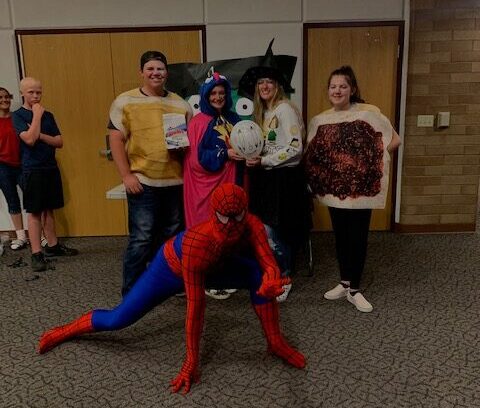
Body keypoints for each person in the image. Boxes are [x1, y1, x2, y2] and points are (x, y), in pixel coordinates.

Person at [37, 183, 306, 394]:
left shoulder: (251, 223)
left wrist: (270, 279)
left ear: (245, 211)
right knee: (119, 318)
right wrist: (191, 360)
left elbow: (267, 261)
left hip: (217, 264)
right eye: (226, 218)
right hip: (171, 268)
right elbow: (196, 307)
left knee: (257, 274)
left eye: (238, 217)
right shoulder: (197, 241)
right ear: (215, 214)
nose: (233, 225)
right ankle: (65, 331)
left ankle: (275, 342)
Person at [304, 65, 401, 313]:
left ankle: (355, 289)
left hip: (360, 191)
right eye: (333, 86)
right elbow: (315, 153)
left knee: (357, 238)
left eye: (343, 86)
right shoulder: (322, 119)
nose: (337, 90)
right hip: (336, 191)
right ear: (328, 91)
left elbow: (394, 140)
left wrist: (369, 163)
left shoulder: (369, 113)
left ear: (352, 89)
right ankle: (344, 281)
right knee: (341, 236)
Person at [108, 51, 192, 296]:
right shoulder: (125, 101)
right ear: (142, 72)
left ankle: (167, 283)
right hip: (142, 182)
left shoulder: (180, 103)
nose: (156, 73)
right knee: (142, 238)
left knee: (172, 238)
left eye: (160, 69)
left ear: (167, 72)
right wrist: (126, 176)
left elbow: (188, 141)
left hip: (175, 181)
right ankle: (132, 291)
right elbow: (115, 139)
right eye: (151, 69)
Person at [239, 64, 312, 302]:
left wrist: (265, 161)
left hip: (284, 180)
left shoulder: (284, 109)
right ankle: (273, 272)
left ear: (278, 86)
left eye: (269, 82)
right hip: (267, 178)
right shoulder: (265, 112)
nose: (265, 86)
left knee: (278, 230)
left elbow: (295, 148)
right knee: (265, 228)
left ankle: (284, 277)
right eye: (261, 83)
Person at [184, 71, 244, 300]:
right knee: (210, 232)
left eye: (222, 93)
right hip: (208, 188)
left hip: (234, 182)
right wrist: (225, 153)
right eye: (213, 93)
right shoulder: (198, 123)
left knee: (232, 230)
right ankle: (210, 279)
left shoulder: (235, 119)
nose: (218, 97)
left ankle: (229, 277)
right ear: (205, 96)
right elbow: (196, 161)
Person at [12, 78, 78, 272]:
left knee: (49, 209)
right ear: (23, 92)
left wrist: (41, 133)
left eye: (38, 92)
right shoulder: (18, 116)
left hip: (50, 167)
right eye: (31, 92)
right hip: (33, 169)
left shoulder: (49, 115)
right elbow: (30, 140)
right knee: (35, 212)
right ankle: (36, 254)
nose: (35, 96)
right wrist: (37, 117)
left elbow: (59, 141)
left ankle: (53, 246)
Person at [0, 87, 27, 250]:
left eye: (7, 97)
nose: (4, 100)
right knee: (12, 200)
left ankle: (42, 235)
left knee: (33, 199)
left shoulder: (17, 118)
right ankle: (21, 236)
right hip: (2, 166)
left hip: (23, 164)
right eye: (1, 97)